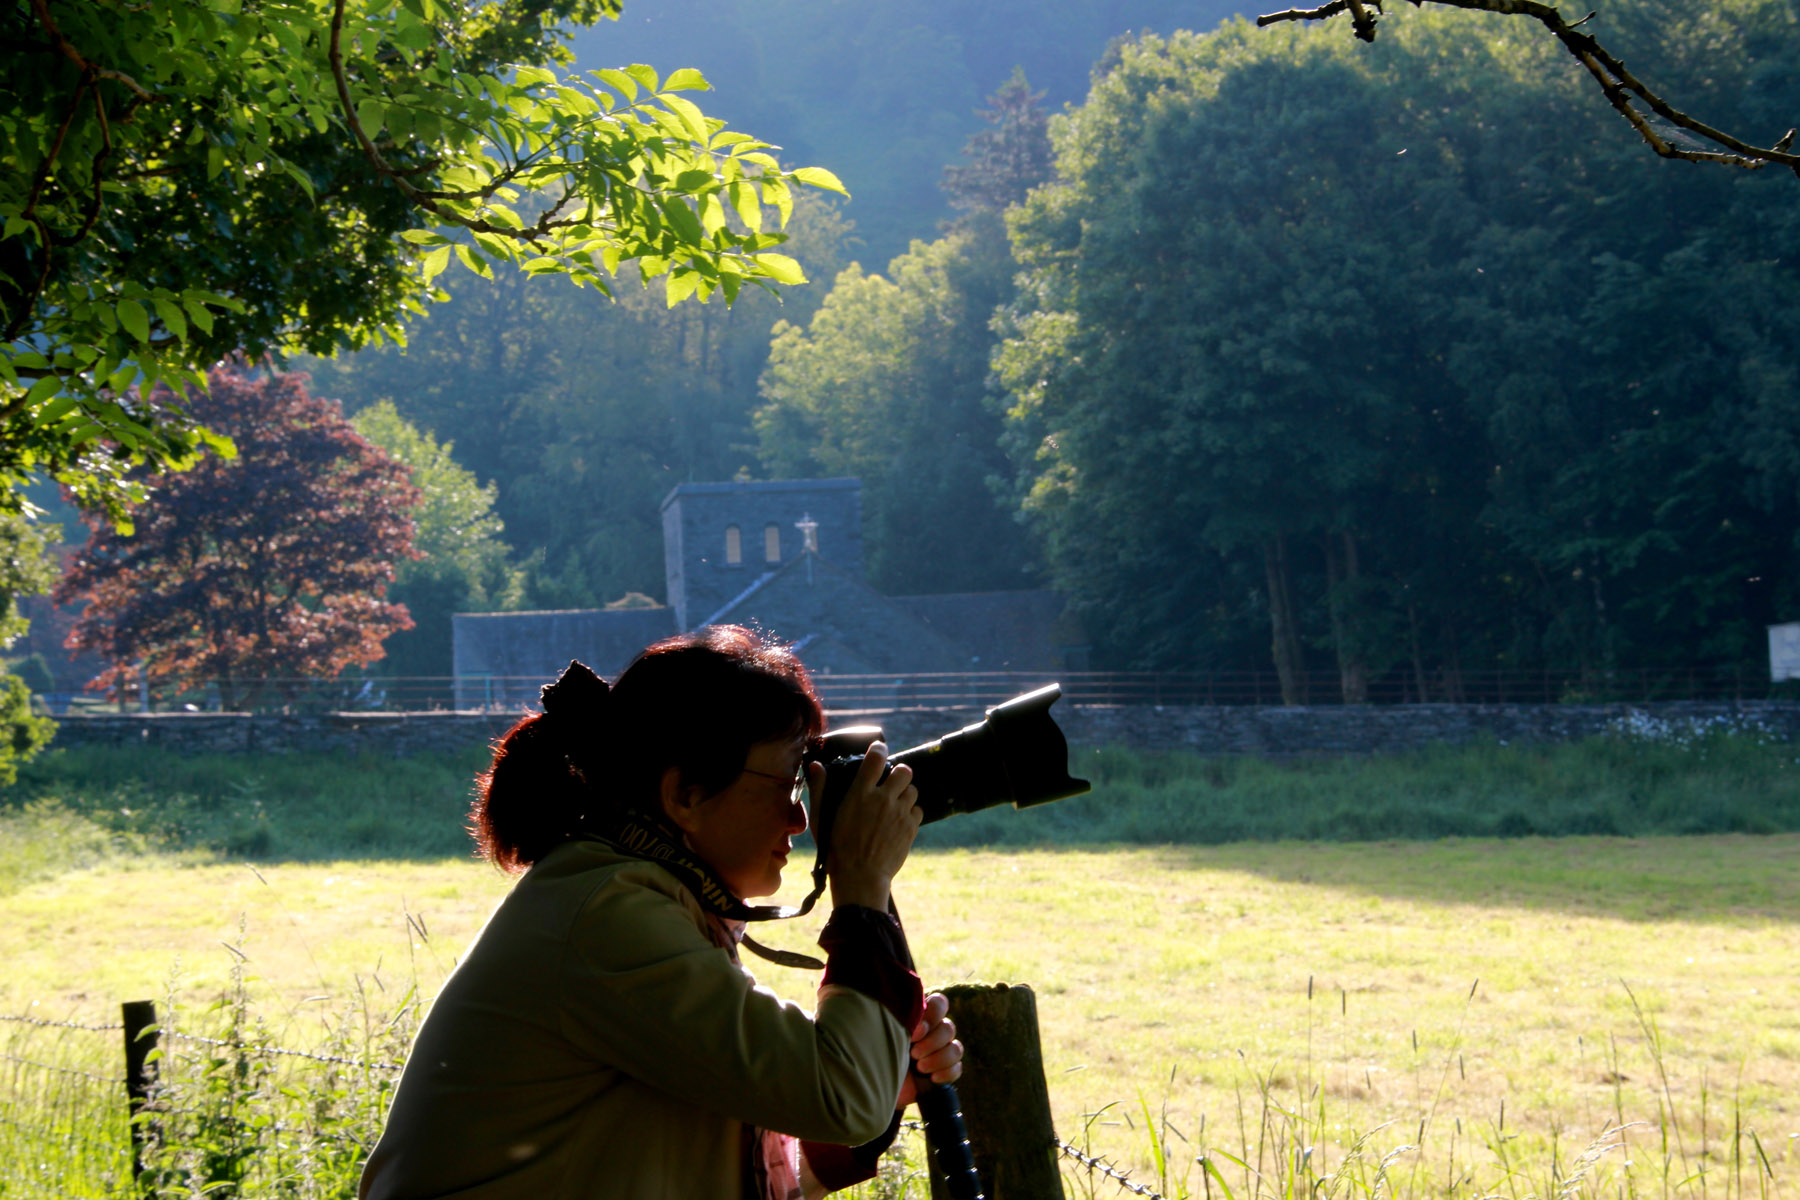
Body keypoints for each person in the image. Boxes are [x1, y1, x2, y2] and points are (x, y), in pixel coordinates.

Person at [358, 626, 963, 1200]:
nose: (800, 820)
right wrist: (861, 889)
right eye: (787, 783)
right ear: (686, 795)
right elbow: (841, 1098)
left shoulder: (635, 899)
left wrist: (884, 1080)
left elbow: (724, 1168)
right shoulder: (609, 916)